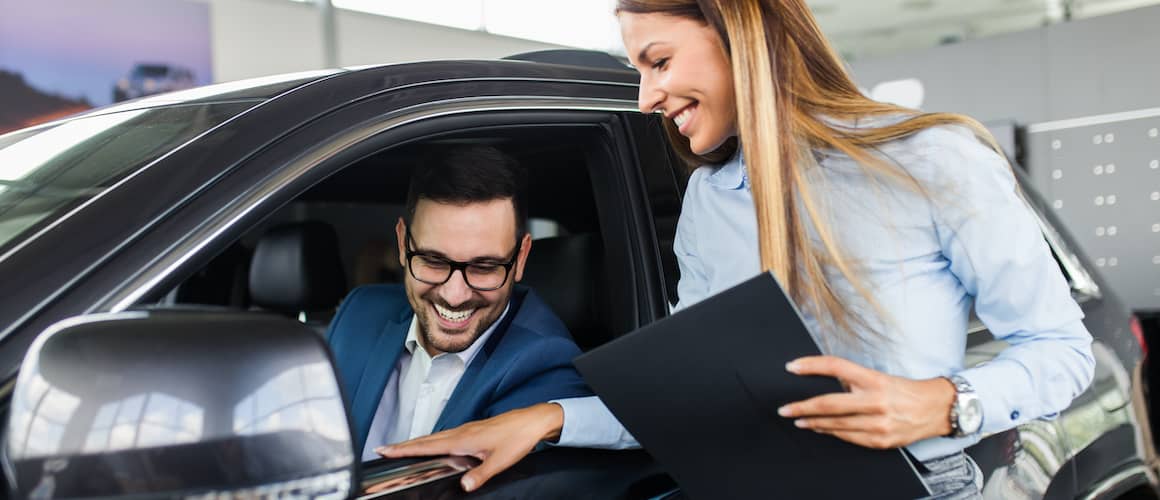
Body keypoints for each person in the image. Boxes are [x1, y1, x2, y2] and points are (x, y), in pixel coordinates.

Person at [379, 1, 1095, 497]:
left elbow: (1062, 349)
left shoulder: (930, 158)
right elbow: (701, 399)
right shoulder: (710, 199)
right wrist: (547, 420)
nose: (646, 96)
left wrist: (944, 404)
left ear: (737, 30)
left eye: (658, 60)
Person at [326, 145, 592, 460]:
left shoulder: (547, 368)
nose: (455, 295)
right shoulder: (359, 313)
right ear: (402, 243)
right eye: (433, 261)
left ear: (520, 258)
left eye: (483, 267)